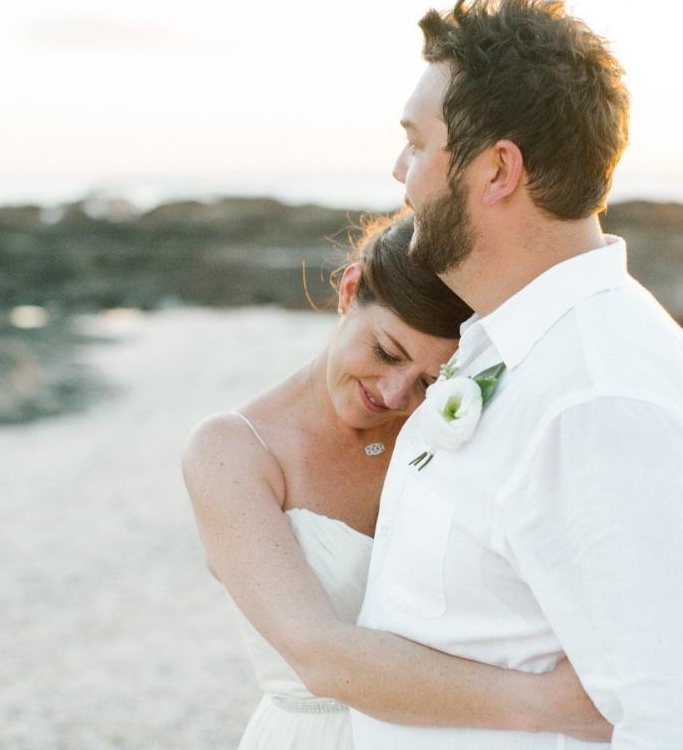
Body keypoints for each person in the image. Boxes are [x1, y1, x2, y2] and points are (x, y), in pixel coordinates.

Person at [351, 0, 683, 749]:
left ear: (497, 170)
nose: (399, 172)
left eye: (417, 144)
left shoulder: (597, 395)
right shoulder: (512, 345)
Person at [182, 213, 612, 749]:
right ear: (349, 288)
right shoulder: (231, 453)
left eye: (430, 380)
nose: (393, 394)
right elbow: (319, 655)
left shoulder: (441, 429)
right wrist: (547, 705)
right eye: (387, 352)